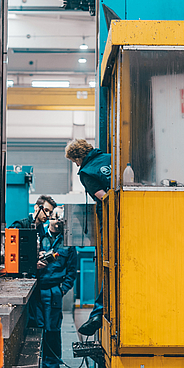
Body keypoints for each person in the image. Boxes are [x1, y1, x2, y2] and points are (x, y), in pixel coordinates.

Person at [65, 139, 111, 336]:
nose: (76, 165)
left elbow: (106, 197)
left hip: (112, 222)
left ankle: (98, 313)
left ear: (78, 157)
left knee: (109, 266)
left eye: (75, 161)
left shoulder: (86, 172)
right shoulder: (111, 158)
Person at [32, 206, 77, 368]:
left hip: (54, 291)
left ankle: (52, 363)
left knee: (53, 328)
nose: (57, 221)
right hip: (36, 290)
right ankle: (36, 362)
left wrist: (62, 289)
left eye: (61, 219)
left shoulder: (68, 244)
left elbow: (72, 271)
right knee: (36, 326)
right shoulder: (38, 236)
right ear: (49, 217)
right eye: (55, 217)